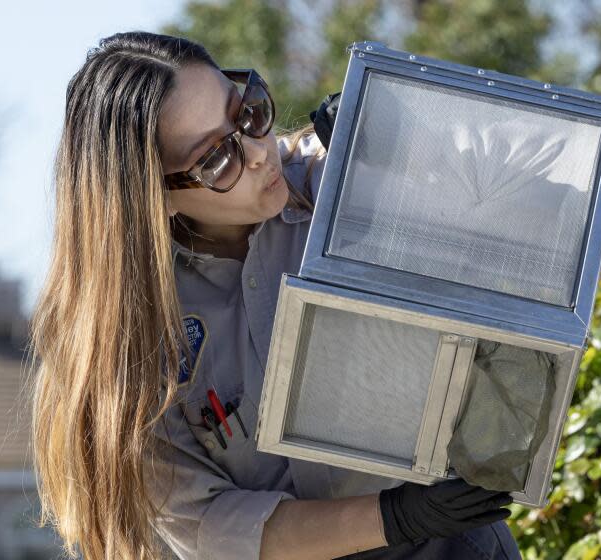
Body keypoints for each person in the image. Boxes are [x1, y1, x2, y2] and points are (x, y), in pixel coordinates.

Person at [27, 31, 521, 560]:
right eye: (217, 159)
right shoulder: (130, 339)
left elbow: (576, 204)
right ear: (154, 197)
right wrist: (393, 517)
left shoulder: (339, 171)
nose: (260, 153)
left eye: (249, 113)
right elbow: (208, 527)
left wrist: (418, 154)